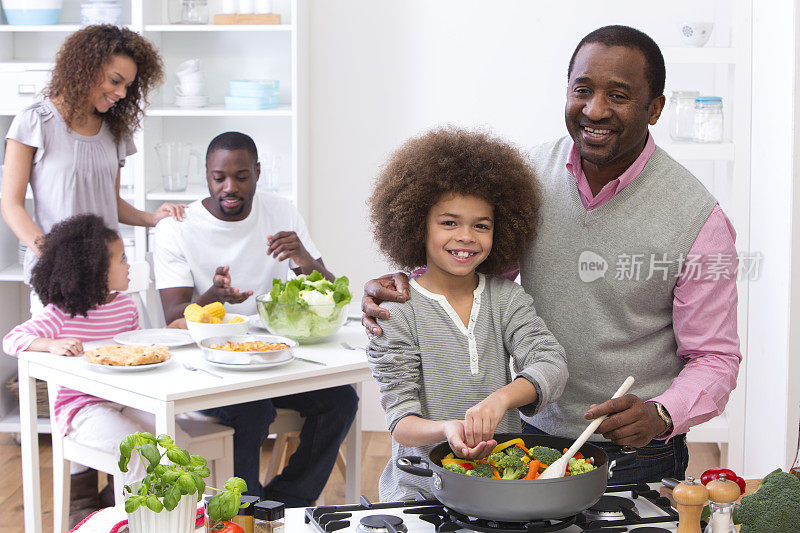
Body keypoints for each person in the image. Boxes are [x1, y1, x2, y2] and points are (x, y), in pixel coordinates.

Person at [361, 25, 741, 484]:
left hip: (637, 456)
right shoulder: (526, 180)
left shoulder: (699, 219)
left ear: (654, 108)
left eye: (618, 95)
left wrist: (660, 415)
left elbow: (715, 358)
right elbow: (470, 267)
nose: (594, 109)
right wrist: (406, 285)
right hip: (529, 439)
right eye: (582, 90)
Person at [153, 131, 358, 506]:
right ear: (207, 175)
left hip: (272, 359)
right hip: (207, 368)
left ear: (258, 172)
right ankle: (246, 512)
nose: (230, 187)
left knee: (341, 400)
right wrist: (213, 297)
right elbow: (172, 317)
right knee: (253, 409)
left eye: (241, 176)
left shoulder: (280, 212)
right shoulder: (177, 228)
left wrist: (305, 260)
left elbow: (335, 294)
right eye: (219, 178)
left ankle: (286, 503)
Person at [366, 126, 567, 501]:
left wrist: (501, 399)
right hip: (419, 492)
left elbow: (551, 363)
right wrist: (448, 430)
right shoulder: (397, 311)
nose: (466, 237)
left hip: (499, 490)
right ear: (416, 224)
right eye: (449, 222)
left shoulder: (508, 299)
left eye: (481, 225)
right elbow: (401, 422)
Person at [1, 25, 185, 313]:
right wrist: (52, 256)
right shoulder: (34, 121)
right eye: (115, 80)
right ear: (86, 68)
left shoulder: (115, 131)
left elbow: (109, 202)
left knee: (114, 354)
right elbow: (11, 205)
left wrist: (152, 218)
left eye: (128, 85)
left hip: (108, 276)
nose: (122, 93)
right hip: (57, 278)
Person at [1, 214, 169, 526]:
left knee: (172, 439)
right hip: (80, 411)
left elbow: (134, 351)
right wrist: (50, 344)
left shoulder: (125, 307)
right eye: (121, 259)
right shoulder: (62, 314)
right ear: (96, 270)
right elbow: (12, 339)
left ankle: (128, 507)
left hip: (124, 400)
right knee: (139, 450)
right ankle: (136, 523)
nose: (128, 265)